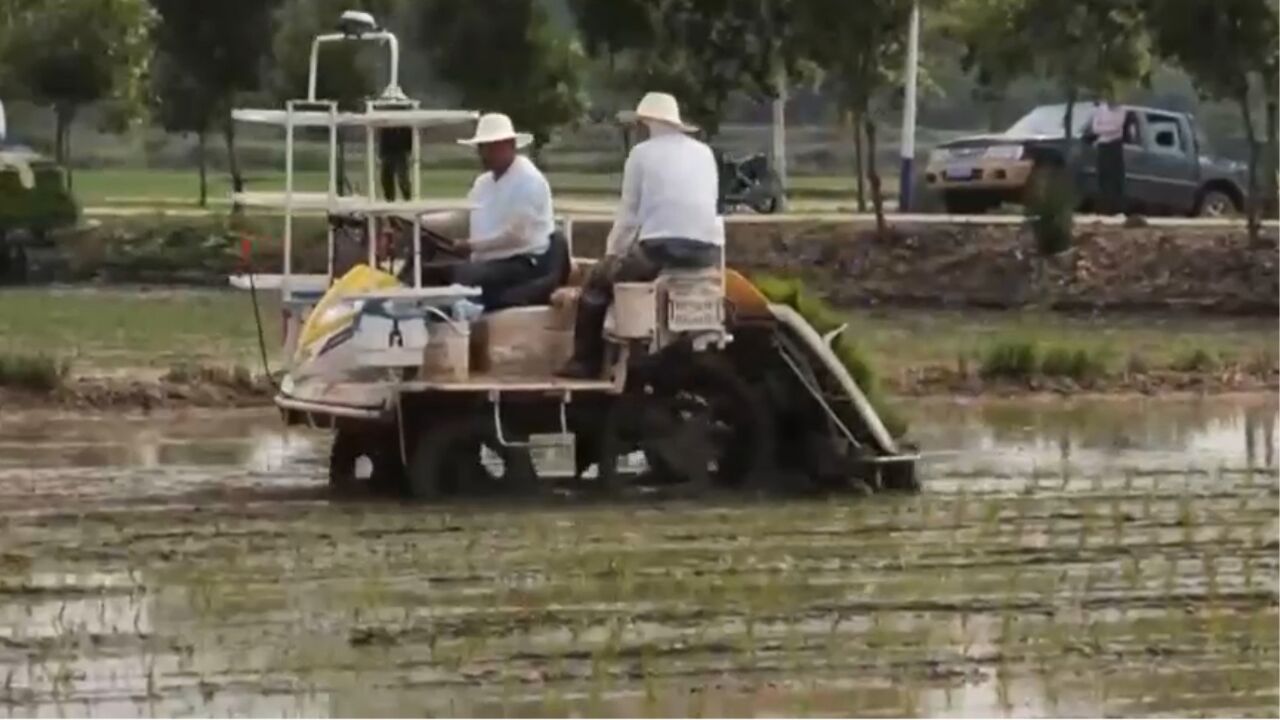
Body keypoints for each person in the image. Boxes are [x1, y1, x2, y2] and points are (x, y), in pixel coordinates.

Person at [557, 92, 722, 379]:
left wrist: (610, 257)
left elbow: (628, 218)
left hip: (660, 250)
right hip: (707, 251)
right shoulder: (704, 153)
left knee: (597, 283)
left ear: (646, 125)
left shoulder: (641, 155)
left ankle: (584, 362)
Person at [416, 112, 555, 308]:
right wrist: (421, 222)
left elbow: (516, 236)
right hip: (487, 259)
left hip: (521, 261)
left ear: (510, 145)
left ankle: (462, 316)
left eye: (491, 147)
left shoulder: (529, 181)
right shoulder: (483, 183)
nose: (484, 154)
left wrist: (472, 246)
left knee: (463, 275)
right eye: (482, 147)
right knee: (427, 272)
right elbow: (463, 216)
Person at [1089, 96, 1128, 215]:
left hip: (1115, 145)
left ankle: (1117, 207)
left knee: (1116, 177)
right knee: (1103, 176)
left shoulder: (1122, 110)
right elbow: (1095, 128)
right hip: (1102, 145)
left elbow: (1117, 127)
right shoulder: (1100, 109)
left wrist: (1103, 129)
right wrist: (1107, 129)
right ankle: (1104, 207)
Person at [379, 124, 412, 201]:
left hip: (400, 152)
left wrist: (409, 151)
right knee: (386, 177)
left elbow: (409, 138)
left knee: (402, 178)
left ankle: (407, 197)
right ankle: (389, 198)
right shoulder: (387, 127)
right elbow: (383, 137)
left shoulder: (405, 127)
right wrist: (382, 154)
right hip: (388, 152)